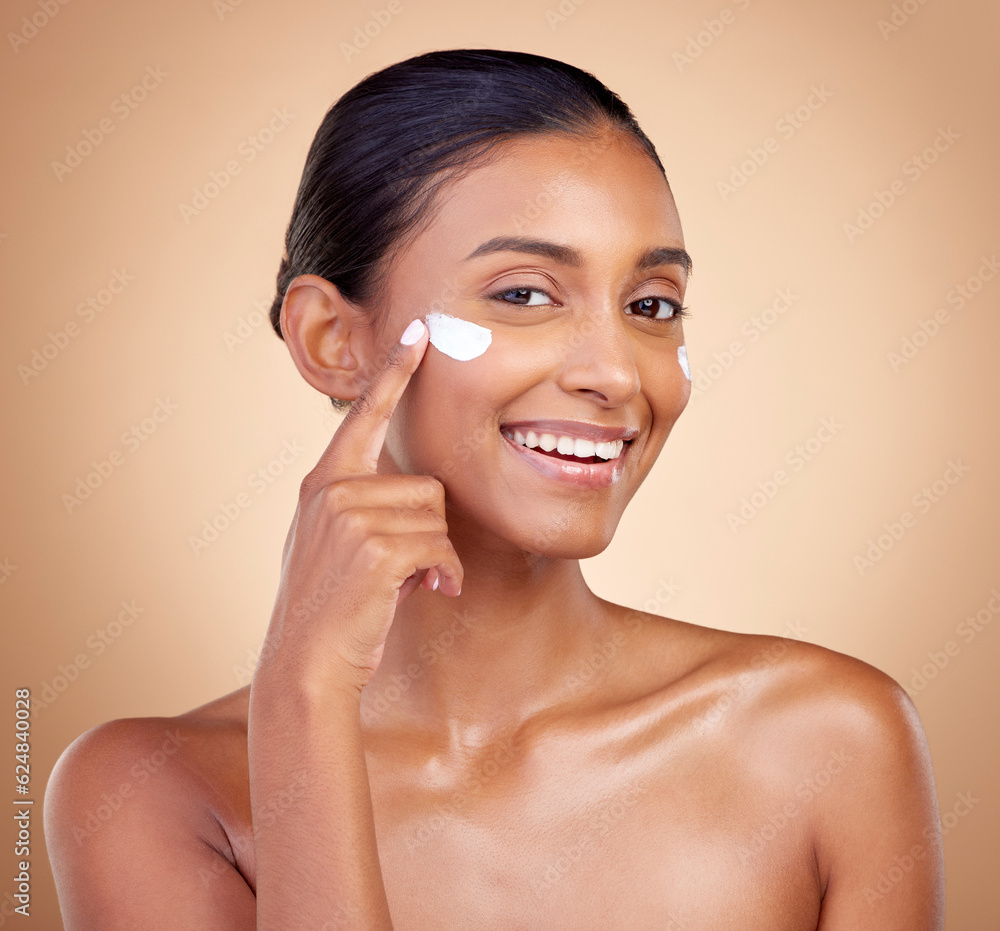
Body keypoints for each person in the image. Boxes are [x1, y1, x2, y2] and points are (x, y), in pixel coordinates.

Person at [44, 48, 945, 929]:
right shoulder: (147, 791)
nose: (617, 375)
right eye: (522, 294)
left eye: (652, 306)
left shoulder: (830, 740)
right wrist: (304, 695)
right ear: (331, 339)